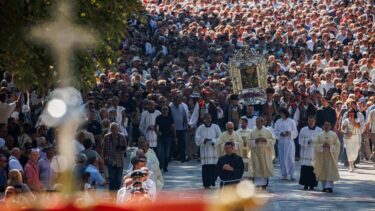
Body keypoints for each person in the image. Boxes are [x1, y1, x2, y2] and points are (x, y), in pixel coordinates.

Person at [195, 113, 221, 189]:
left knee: (213, 167)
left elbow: (220, 136)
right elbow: (197, 137)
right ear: (204, 119)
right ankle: (206, 183)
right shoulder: (200, 128)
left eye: (209, 118)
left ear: (211, 118)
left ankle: (212, 180)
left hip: (213, 150)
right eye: (206, 118)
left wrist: (214, 141)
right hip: (205, 150)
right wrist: (203, 140)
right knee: (205, 167)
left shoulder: (215, 127)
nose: (208, 119)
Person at [313, 121, 340, 193]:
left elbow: (337, 145)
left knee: (330, 171)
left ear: (330, 126)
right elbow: (315, 145)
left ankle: (329, 187)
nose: (326, 126)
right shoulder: (319, 135)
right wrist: (322, 146)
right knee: (323, 171)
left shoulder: (334, 135)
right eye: (325, 125)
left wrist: (330, 146)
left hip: (331, 156)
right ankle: (324, 187)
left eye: (328, 125)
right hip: (322, 156)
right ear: (323, 126)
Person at [249, 117, 275, 190]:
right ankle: (257, 183)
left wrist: (266, 140)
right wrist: (255, 141)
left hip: (265, 153)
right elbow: (249, 141)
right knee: (256, 167)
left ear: (262, 122)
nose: (257, 124)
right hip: (256, 153)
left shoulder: (267, 131)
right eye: (256, 122)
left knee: (264, 167)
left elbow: (273, 140)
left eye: (259, 122)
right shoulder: (252, 132)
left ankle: (264, 184)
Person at [298, 116, 322, 190]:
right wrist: (307, 141)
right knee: (305, 169)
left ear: (315, 121)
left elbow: (321, 141)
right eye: (309, 121)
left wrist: (315, 142)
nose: (311, 122)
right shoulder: (303, 130)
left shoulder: (319, 130)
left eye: (312, 121)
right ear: (307, 121)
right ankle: (305, 184)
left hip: (314, 153)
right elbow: (299, 140)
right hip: (306, 152)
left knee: (313, 169)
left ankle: (312, 185)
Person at [274, 108, 298, 180]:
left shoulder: (292, 122)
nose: (281, 115)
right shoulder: (278, 122)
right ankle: (284, 174)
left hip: (289, 142)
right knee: (282, 158)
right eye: (280, 113)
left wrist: (289, 133)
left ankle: (291, 173)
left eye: (282, 113)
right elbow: (275, 131)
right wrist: (280, 134)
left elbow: (295, 132)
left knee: (290, 158)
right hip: (281, 142)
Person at [102, 122, 127, 190]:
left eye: (115, 129)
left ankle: (118, 193)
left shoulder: (122, 137)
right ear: (110, 129)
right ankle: (111, 194)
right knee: (112, 179)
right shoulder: (106, 137)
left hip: (120, 161)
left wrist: (121, 148)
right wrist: (104, 159)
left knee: (119, 180)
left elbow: (125, 148)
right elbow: (103, 148)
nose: (114, 131)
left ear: (118, 129)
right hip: (110, 161)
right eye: (112, 129)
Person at [155, 105, 176, 171]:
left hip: (168, 137)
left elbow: (173, 127)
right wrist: (157, 132)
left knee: (167, 154)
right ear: (161, 110)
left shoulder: (170, 118)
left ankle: (165, 166)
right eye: (163, 109)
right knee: (160, 152)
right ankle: (160, 164)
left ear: (168, 110)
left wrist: (175, 137)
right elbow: (155, 127)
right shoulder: (158, 117)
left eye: (166, 109)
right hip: (160, 137)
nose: (165, 111)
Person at [169, 94, 188, 162]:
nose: (179, 102)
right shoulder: (170, 106)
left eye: (180, 101)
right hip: (172, 128)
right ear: (174, 100)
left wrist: (186, 125)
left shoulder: (181, 106)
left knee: (182, 143)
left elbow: (185, 116)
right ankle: (170, 157)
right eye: (178, 101)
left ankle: (183, 157)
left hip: (181, 128)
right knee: (172, 143)